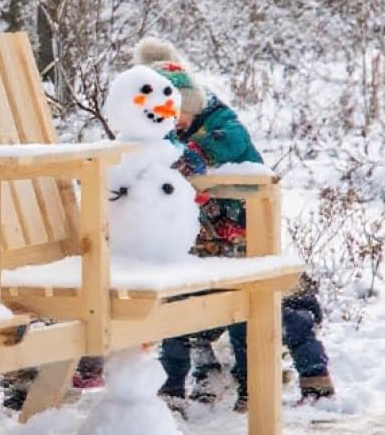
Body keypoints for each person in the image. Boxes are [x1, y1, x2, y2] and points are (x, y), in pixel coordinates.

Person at [134, 38, 335, 414]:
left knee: (251, 314)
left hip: (245, 236)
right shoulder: (163, 133)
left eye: (181, 118)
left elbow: (232, 140)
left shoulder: (220, 123)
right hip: (199, 242)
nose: (176, 126)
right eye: (168, 120)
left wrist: (200, 153)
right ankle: (171, 385)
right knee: (174, 313)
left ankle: (256, 385)